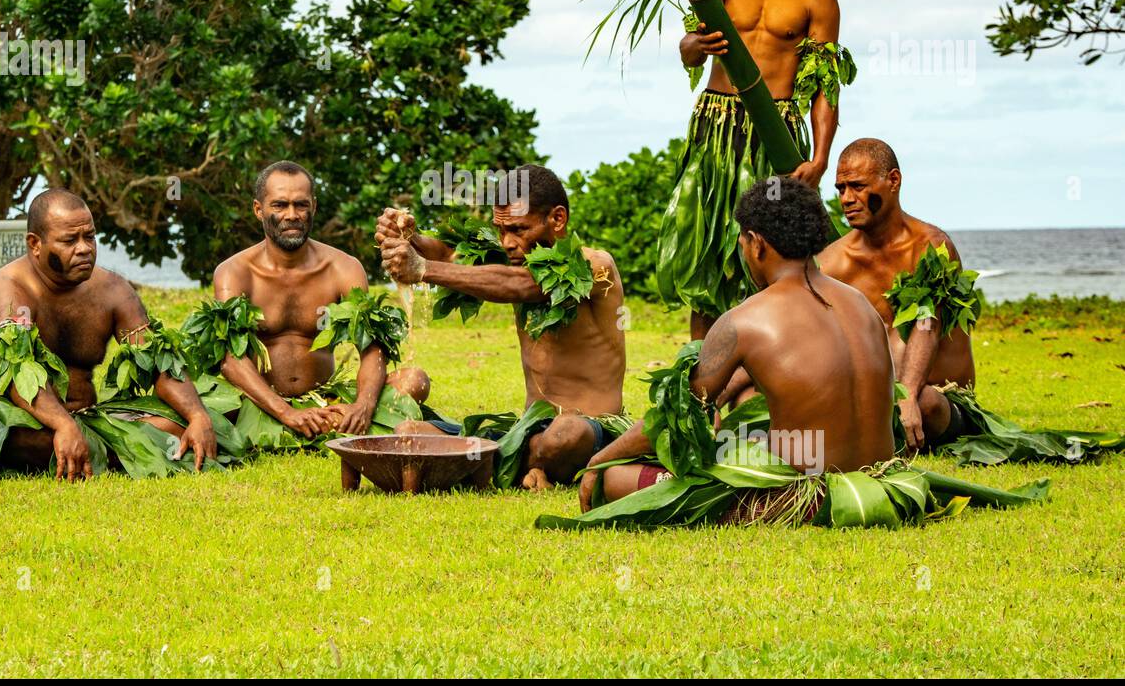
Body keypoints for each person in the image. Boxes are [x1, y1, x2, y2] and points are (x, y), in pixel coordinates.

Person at [582, 177, 894, 511]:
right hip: (882, 484)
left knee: (614, 477)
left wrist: (599, 460)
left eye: (742, 241)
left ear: (756, 243)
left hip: (810, 498)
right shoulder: (861, 304)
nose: (743, 252)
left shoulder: (744, 320)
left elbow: (675, 416)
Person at [663, 0, 852, 338]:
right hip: (716, 125)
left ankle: (774, 366)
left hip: (775, 131)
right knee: (710, 254)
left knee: (772, 247)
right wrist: (691, 45)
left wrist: (821, 157)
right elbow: (690, 52)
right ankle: (701, 378)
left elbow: (824, 84)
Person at [377, 164, 626, 490]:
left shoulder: (594, 266)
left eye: (519, 229)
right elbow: (451, 256)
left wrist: (422, 268)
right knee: (408, 432)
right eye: (501, 229)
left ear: (558, 219)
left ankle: (477, 462)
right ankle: (520, 465)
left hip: (592, 429)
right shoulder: (513, 256)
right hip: (526, 431)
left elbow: (521, 286)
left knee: (566, 434)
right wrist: (408, 236)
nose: (508, 243)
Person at [0, 189, 218, 480]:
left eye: (90, 237)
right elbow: (17, 376)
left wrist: (197, 415)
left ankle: (93, 446)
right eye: (70, 240)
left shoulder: (111, 290)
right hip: (12, 427)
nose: (84, 248)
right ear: (35, 244)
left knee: (186, 423)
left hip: (85, 421)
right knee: (12, 439)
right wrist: (62, 425)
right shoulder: (7, 291)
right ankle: (101, 448)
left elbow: (158, 360)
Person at [212, 160, 430, 438]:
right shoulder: (234, 272)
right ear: (259, 209)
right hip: (257, 404)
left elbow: (371, 348)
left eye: (300, 205)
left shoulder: (343, 267)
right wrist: (286, 412)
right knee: (202, 403)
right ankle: (303, 426)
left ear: (313, 206)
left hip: (325, 399)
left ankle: (324, 423)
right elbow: (231, 359)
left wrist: (363, 405)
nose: (292, 214)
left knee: (414, 381)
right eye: (279, 205)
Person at [816, 138, 975, 451]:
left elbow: (927, 323)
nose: (847, 199)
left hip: (939, 397)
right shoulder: (831, 263)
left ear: (893, 181)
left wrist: (908, 395)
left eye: (858, 186)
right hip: (872, 398)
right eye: (841, 189)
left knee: (927, 403)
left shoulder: (931, 246)